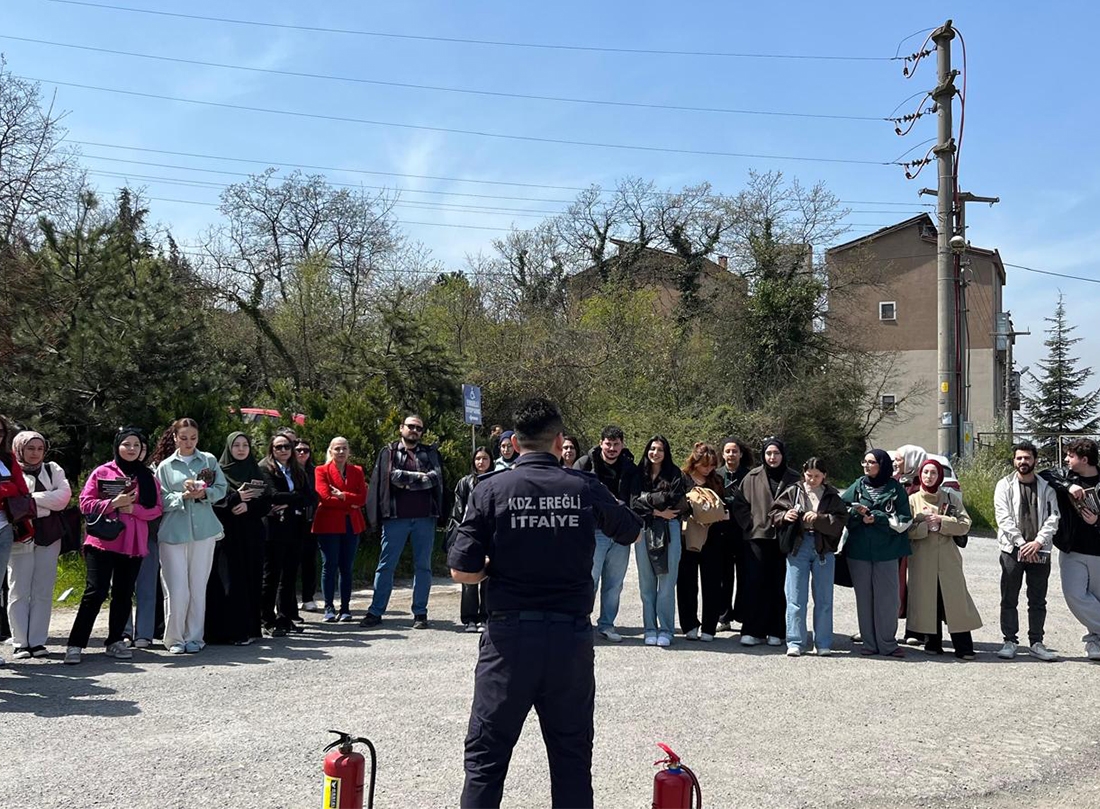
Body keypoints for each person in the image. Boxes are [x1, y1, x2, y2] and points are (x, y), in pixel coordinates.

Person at [448, 398, 642, 808]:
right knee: (571, 758)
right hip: (568, 642)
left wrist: (490, 568)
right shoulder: (583, 486)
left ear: (515, 444)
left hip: (508, 642)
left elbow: (461, 570)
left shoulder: (490, 489)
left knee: (486, 759)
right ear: (559, 441)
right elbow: (632, 532)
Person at [65, 428, 163, 664]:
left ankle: (115, 641)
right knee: (95, 593)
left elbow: (157, 509)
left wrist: (134, 510)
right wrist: (113, 504)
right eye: (126, 444)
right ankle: (76, 644)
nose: (131, 449)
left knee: (123, 594)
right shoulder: (102, 472)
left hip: (133, 544)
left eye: (136, 446)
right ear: (117, 446)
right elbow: (85, 503)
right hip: (103, 543)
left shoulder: (148, 477)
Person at [362, 414, 445, 629]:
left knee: (423, 567)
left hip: (425, 518)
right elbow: (390, 477)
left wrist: (407, 481)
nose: (414, 430)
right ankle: (375, 611)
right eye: (411, 426)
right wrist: (419, 478)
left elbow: (435, 477)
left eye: (419, 428)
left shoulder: (430, 453)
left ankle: (420, 613)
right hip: (395, 518)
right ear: (401, 428)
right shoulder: (388, 452)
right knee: (386, 566)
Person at [155, 418, 229, 654]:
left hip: (204, 530)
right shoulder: (165, 466)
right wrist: (182, 497)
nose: (188, 442)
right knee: (177, 589)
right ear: (175, 437)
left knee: (198, 586)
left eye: (193, 438)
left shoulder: (208, 459)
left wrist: (202, 494)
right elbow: (160, 500)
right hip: (173, 532)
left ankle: (195, 637)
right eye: (183, 438)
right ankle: (174, 638)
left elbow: (221, 489)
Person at [769, 457, 847, 657]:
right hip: (798, 546)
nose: (812, 480)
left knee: (824, 599)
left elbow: (840, 521)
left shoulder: (831, 495)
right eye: (809, 476)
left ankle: (823, 642)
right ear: (803, 474)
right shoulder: (794, 491)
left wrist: (819, 519)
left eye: (817, 476)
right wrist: (785, 516)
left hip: (823, 548)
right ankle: (795, 641)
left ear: (824, 476)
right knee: (795, 597)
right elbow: (774, 513)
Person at [906, 458, 982, 660]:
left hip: (948, 558)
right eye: (925, 472)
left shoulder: (950, 498)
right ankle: (932, 643)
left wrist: (941, 522)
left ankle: (963, 646)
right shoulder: (912, 500)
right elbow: (905, 529)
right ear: (920, 475)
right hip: (922, 558)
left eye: (933, 473)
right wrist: (924, 528)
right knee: (927, 599)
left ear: (939, 476)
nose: (929, 477)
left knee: (956, 601)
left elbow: (965, 524)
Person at [841, 449, 913, 657]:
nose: (866, 465)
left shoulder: (895, 488)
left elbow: (904, 520)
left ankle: (888, 643)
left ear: (882, 465)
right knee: (864, 599)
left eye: (871, 462)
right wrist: (857, 514)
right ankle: (869, 643)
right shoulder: (858, 485)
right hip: (859, 552)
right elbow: (841, 511)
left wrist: (878, 518)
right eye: (864, 461)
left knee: (888, 600)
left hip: (887, 552)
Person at [7, 431, 71, 659]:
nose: (35, 453)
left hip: (49, 536)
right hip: (20, 536)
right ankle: (20, 642)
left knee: (43, 589)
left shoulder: (53, 469)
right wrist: (46, 500)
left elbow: (63, 498)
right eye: (30, 448)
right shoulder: (10, 469)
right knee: (18, 589)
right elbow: (10, 502)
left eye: (39, 449)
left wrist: (30, 501)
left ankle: (37, 641)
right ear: (19, 449)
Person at [574, 425, 640, 643]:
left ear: (622, 445)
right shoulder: (585, 464)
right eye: (608, 443)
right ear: (601, 442)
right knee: (589, 580)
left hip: (620, 534)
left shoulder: (630, 468)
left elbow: (635, 499)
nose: (612, 448)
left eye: (616, 444)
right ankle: (582, 622)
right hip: (595, 532)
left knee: (614, 584)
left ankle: (607, 625)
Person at [994, 441, 1060, 661]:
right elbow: (1003, 518)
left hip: (1040, 551)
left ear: (1035, 460)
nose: (1023, 462)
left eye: (1027, 458)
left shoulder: (1046, 487)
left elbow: (1054, 517)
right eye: (1019, 458)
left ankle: (1037, 642)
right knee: (1009, 596)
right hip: (1012, 549)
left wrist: (1038, 542)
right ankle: (1010, 641)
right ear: (1014, 461)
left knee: (1038, 598)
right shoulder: (1004, 485)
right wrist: (1022, 543)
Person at [1040, 438, 1100, 660]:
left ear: (1084, 459)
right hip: (1072, 548)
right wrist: (1068, 486)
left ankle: (1095, 643)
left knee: (1096, 600)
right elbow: (1044, 474)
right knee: (1075, 596)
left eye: (1070, 456)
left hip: (1098, 552)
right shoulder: (1067, 477)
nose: (1065, 459)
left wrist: (1097, 521)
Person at [211, 431, 271, 645]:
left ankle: (251, 629)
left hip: (252, 534)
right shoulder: (218, 472)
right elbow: (213, 500)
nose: (241, 449)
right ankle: (230, 631)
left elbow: (267, 502)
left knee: (252, 580)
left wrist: (249, 505)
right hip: (228, 535)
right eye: (236, 445)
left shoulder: (256, 471)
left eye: (245, 445)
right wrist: (234, 500)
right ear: (229, 448)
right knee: (230, 581)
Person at [739, 437, 799, 647]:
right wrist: (750, 524)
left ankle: (777, 630)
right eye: (768, 453)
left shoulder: (794, 478)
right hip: (758, 537)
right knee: (755, 583)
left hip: (784, 538)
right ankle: (752, 630)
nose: (772, 458)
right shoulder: (752, 477)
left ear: (783, 455)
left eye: (776, 453)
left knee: (779, 584)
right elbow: (740, 505)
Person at [631, 435, 690, 647]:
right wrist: (656, 509)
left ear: (666, 453)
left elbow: (672, 499)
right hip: (644, 527)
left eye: (660, 449)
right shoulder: (639, 473)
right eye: (652, 448)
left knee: (666, 581)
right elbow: (633, 502)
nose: (655, 453)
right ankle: (650, 628)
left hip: (669, 529)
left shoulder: (675, 474)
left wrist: (647, 500)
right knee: (646, 583)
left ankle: (666, 629)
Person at [260, 433, 313, 637]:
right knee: (271, 576)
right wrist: (296, 499)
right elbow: (272, 495)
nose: (283, 451)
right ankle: (267, 618)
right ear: (271, 450)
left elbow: (310, 497)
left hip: (295, 526)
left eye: (286, 447)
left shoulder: (297, 470)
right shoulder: (266, 468)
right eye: (278, 447)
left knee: (289, 576)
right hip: (274, 529)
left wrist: (290, 500)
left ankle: (285, 617)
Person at [677, 442, 729, 643]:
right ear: (695, 462)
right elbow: (678, 504)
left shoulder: (716, 480)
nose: (708, 469)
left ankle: (709, 626)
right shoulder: (683, 479)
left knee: (712, 583)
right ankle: (689, 624)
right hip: (688, 536)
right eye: (705, 465)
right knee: (686, 582)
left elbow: (724, 504)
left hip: (714, 536)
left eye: (712, 465)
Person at [312, 436, 367, 623]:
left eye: (344, 448)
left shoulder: (357, 471)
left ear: (349, 451)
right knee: (329, 565)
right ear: (330, 451)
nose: (341, 452)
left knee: (347, 567)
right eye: (337, 449)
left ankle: (345, 608)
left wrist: (343, 496)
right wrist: (350, 502)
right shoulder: (321, 471)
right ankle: (328, 607)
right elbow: (325, 498)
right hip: (328, 525)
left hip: (352, 524)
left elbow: (362, 499)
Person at [1, 417, 36, 665]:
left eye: (1, 432)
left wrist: (5, 488)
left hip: (3, 528)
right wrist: (6, 487)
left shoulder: (7, 459)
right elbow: (11, 488)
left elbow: (21, 489)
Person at [446, 446, 493, 631]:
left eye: (485, 459)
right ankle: (469, 618)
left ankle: (486, 617)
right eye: (478, 459)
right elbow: (458, 511)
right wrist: (458, 535)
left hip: (489, 535)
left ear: (491, 461)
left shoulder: (496, 481)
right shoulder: (465, 482)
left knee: (488, 576)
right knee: (469, 577)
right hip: (469, 534)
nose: (481, 462)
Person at [892, 444, 928, 646]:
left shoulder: (922, 483)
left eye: (899, 459)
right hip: (895, 541)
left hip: (917, 543)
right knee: (894, 585)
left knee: (916, 585)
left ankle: (915, 630)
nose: (896, 463)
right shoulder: (894, 481)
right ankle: (885, 627)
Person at [717, 437, 752, 632]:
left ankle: (743, 614)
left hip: (744, 533)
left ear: (741, 453)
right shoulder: (716, 475)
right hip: (721, 533)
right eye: (728, 451)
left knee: (745, 576)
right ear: (722, 454)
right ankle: (724, 617)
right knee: (724, 577)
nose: (731, 455)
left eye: (735, 451)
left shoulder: (750, 476)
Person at [295, 439, 321, 612]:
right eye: (298, 450)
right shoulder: (288, 471)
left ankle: (308, 597)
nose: (302, 453)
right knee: (289, 562)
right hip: (290, 522)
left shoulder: (315, 472)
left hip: (311, 521)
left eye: (305, 450)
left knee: (309, 561)